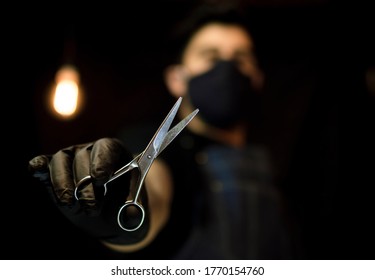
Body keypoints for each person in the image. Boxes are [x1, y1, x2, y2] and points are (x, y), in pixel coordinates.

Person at [29, 3, 294, 259]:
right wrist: (125, 206)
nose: (226, 69)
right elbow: (155, 186)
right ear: (177, 79)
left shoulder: (281, 166)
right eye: (210, 57)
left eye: (240, 58)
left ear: (257, 78)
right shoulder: (154, 144)